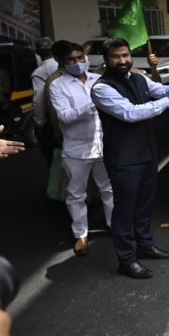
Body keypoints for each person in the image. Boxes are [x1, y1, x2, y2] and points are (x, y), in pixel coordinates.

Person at [91, 38, 169, 279]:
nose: (123, 60)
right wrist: (167, 102)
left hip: (146, 152)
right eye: (116, 56)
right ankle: (126, 259)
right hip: (123, 158)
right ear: (106, 59)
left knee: (145, 205)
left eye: (125, 55)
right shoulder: (101, 88)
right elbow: (129, 113)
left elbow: (161, 90)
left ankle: (145, 246)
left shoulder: (138, 77)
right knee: (125, 209)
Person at [48, 43, 114, 256]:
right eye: (71, 60)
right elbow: (64, 117)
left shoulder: (99, 79)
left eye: (80, 58)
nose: (77, 63)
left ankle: (115, 226)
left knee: (109, 188)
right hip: (77, 149)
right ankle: (80, 234)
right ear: (62, 63)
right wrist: (91, 105)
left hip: (103, 144)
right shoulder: (58, 85)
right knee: (76, 194)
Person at [31, 37, 59, 164]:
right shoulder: (62, 64)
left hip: (51, 118)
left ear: (37, 52)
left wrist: (39, 122)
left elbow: (39, 100)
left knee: (54, 158)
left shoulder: (40, 72)